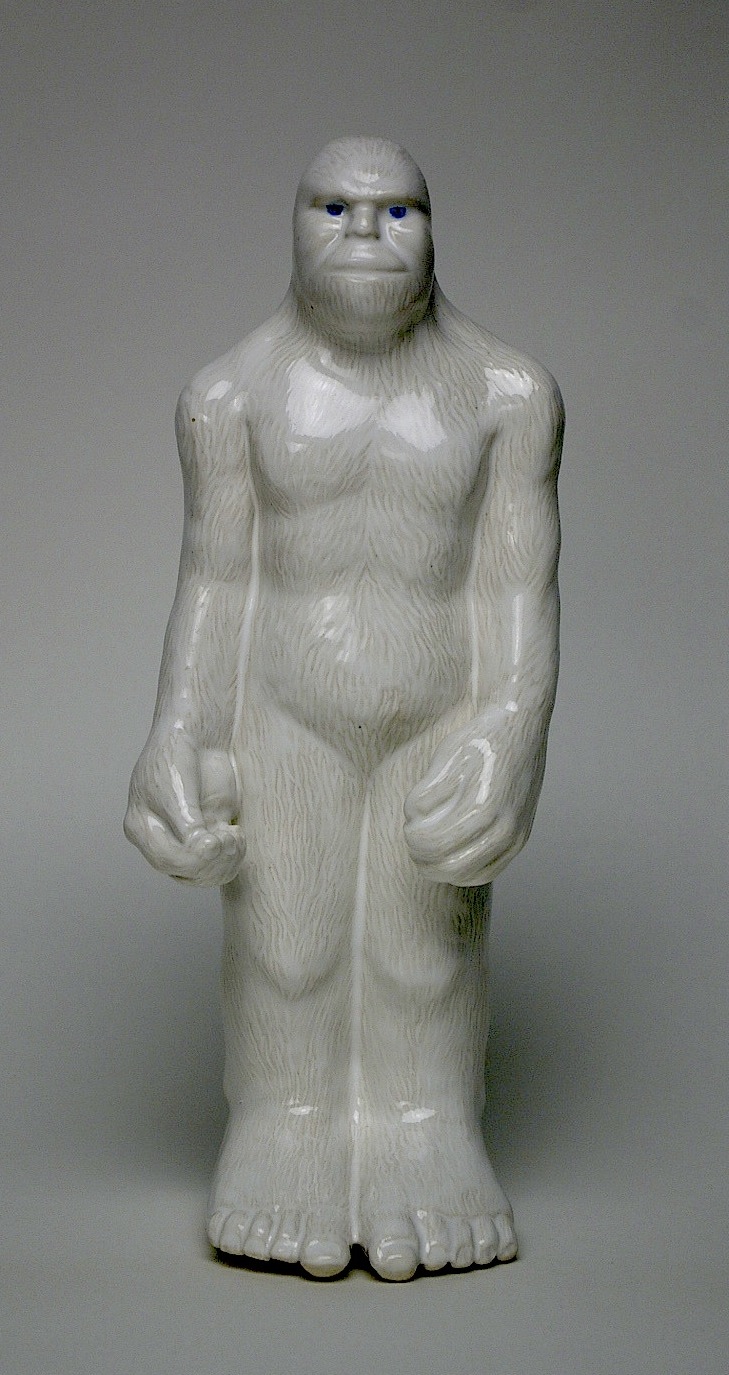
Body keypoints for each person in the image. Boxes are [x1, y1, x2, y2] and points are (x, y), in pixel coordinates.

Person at [125, 136, 563, 1280]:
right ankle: (284, 1127)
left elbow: (515, 583)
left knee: (430, 947)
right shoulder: (230, 394)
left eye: (397, 211)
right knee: (287, 940)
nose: (366, 233)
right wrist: (178, 730)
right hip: (284, 714)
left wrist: (512, 730)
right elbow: (216, 576)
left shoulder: (509, 395)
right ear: (293, 225)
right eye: (336, 208)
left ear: (434, 228)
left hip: (438, 716)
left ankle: (429, 1128)